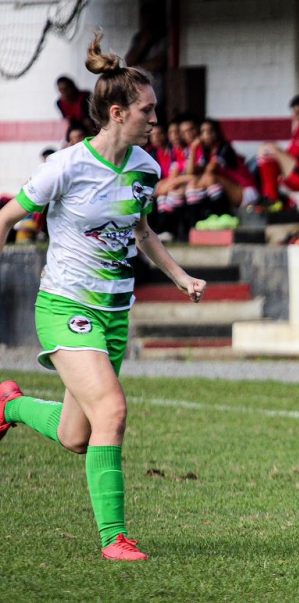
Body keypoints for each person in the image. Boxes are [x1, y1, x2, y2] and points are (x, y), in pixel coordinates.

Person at [0, 32, 207, 562]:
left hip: (115, 316)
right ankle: (114, 538)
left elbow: (141, 232)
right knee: (112, 411)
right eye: (148, 111)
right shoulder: (66, 166)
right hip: (67, 308)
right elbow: (6, 216)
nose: (155, 120)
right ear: (117, 113)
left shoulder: (146, 168)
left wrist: (180, 277)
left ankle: (10, 406)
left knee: (76, 436)